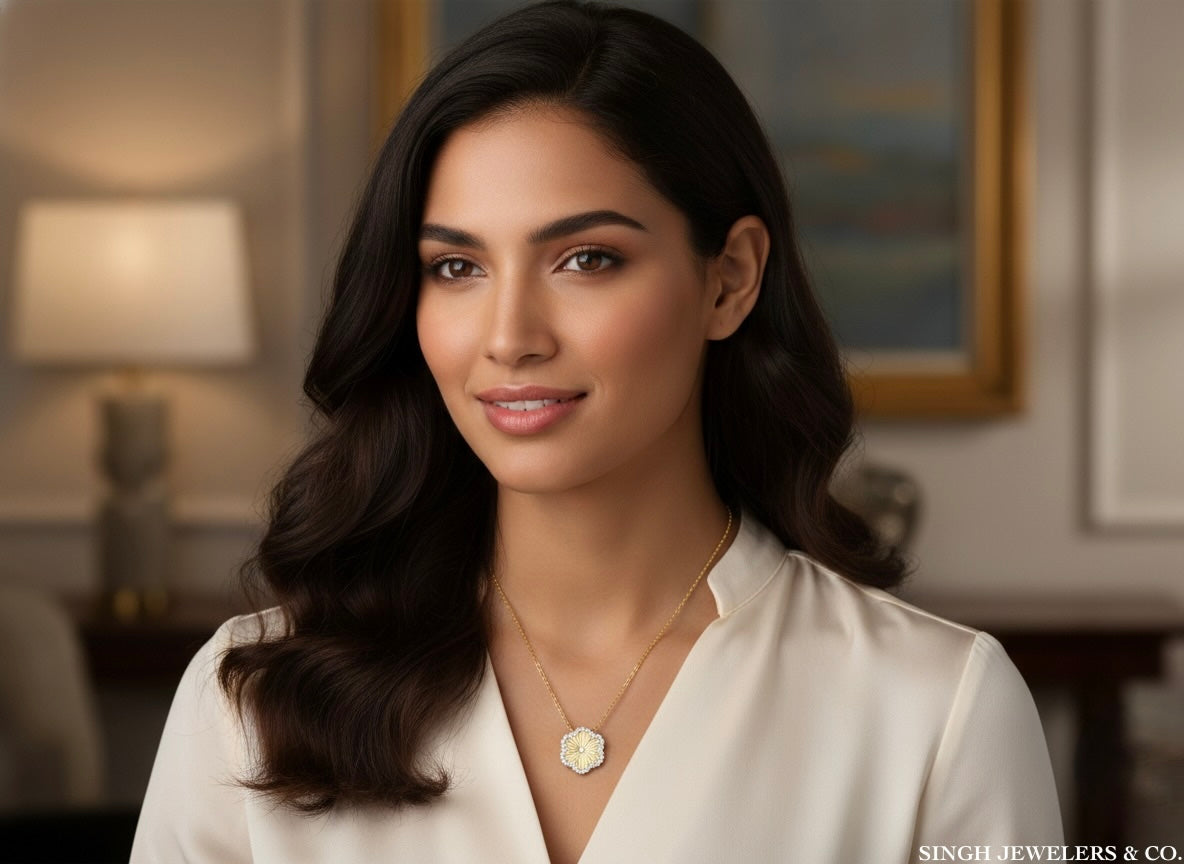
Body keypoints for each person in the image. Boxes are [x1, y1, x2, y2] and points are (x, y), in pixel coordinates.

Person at [130, 1, 1063, 861]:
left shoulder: (933, 708)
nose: (508, 338)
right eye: (457, 267)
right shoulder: (251, 696)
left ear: (729, 279)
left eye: (586, 259)